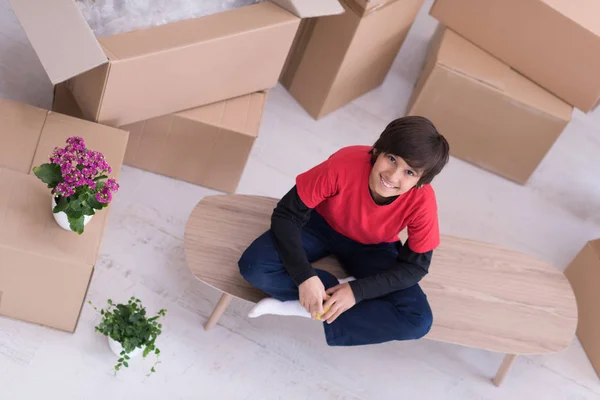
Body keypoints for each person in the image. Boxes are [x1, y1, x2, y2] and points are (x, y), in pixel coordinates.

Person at [238, 116, 450, 346]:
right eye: (391, 159)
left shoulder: (423, 201)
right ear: (377, 150)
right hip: (319, 224)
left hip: (373, 246)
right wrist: (305, 277)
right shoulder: (344, 163)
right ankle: (321, 295)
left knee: (417, 320)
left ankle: (309, 305)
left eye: (409, 172)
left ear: (421, 181)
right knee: (254, 267)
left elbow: (415, 266)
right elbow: (287, 214)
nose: (393, 176)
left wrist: (357, 291)